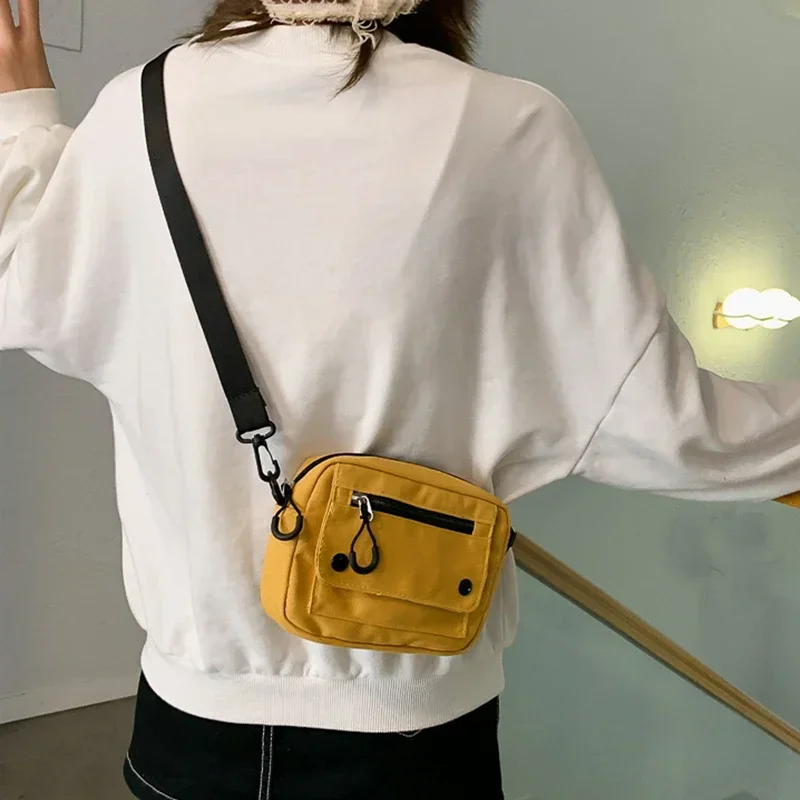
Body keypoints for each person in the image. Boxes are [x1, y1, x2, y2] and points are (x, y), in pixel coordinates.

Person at [3, 0, 800, 797]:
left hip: (189, 727)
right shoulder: (508, 127)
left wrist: (26, 123)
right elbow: (666, 424)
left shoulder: (138, 110)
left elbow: (27, 286)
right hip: (411, 732)